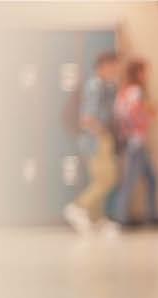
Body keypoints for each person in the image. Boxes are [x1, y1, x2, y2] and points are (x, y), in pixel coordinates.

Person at [63, 52, 122, 237]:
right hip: (97, 139)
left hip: (102, 138)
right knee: (107, 179)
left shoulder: (107, 86)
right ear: (103, 66)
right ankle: (78, 207)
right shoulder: (95, 86)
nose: (116, 70)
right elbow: (87, 118)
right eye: (114, 66)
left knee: (102, 179)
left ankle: (97, 219)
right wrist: (102, 133)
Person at [112, 59, 158, 227]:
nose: (148, 76)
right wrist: (151, 114)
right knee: (131, 181)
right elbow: (135, 113)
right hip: (135, 142)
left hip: (132, 141)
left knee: (152, 178)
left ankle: (153, 216)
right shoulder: (136, 91)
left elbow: (121, 114)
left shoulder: (123, 92)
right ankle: (121, 218)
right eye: (145, 72)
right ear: (138, 73)